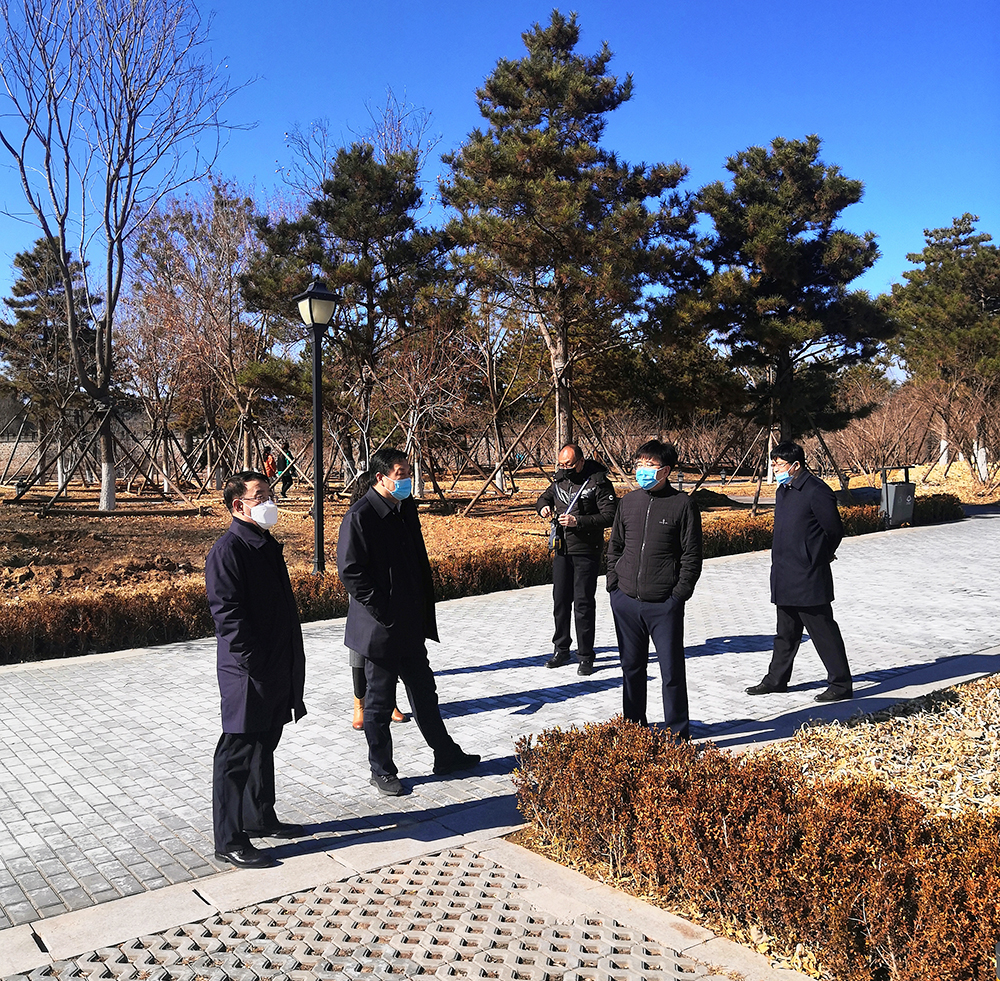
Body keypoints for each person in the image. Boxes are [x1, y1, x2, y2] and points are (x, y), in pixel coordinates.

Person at [337, 447, 480, 797]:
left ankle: (445, 754)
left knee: (424, 693)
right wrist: (383, 610)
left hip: (410, 622)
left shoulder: (405, 508)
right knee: (379, 702)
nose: (406, 480)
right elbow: (351, 571)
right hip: (381, 628)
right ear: (380, 478)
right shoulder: (361, 515)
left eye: (407, 473)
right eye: (400, 475)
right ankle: (382, 769)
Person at [205, 471, 307, 869]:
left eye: (269, 494)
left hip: (276, 664)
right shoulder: (228, 550)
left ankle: (260, 816)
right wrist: (256, 663)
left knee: (265, 743)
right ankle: (229, 839)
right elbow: (228, 617)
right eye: (260, 496)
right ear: (238, 506)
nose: (270, 502)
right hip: (247, 672)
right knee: (237, 753)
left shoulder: (264, 543)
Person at [606, 440, 702, 738]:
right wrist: (613, 586)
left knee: (671, 671)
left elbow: (692, 555)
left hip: (663, 604)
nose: (643, 470)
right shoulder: (628, 502)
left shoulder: (682, 504)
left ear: (666, 470)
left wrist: (678, 595)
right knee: (631, 668)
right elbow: (615, 545)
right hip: (626, 600)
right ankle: (634, 730)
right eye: (640, 464)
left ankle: (678, 733)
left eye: (650, 465)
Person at [746, 441, 853, 702]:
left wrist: (818, 556)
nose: (775, 468)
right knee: (785, 633)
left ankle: (840, 684)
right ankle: (776, 680)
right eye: (773, 464)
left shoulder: (816, 490)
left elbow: (834, 530)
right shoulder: (784, 489)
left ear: (796, 465)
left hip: (808, 575)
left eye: (779, 464)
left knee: (823, 632)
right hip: (784, 573)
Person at [536, 443, 618, 675]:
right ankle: (561, 649)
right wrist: (543, 508)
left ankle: (585, 655)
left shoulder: (598, 482)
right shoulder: (559, 479)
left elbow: (610, 515)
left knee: (583, 604)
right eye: (561, 464)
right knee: (560, 602)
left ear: (581, 461)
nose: (565, 468)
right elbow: (543, 498)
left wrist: (578, 522)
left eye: (569, 464)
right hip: (562, 549)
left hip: (586, 550)